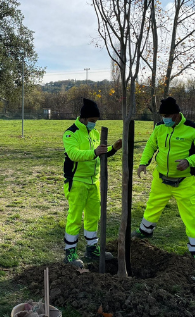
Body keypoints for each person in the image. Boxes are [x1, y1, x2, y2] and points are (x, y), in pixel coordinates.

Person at [132, 96, 195, 263]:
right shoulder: (160, 127)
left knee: (192, 213)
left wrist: (189, 161)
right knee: (153, 204)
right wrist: (143, 163)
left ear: (177, 114)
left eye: (167, 116)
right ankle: (145, 231)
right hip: (161, 178)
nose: (165, 119)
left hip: (185, 181)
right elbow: (151, 145)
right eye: (163, 116)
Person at [62, 98, 123, 268]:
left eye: (95, 122)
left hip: (93, 182)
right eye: (92, 121)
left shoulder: (95, 134)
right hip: (77, 182)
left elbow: (101, 154)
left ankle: (92, 249)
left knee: (92, 217)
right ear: (83, 118)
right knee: (74, 217)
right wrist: (95, 152)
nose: (94, 124)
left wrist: (114, 148)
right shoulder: (70, 133)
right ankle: (70, 253)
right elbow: (74, 155)